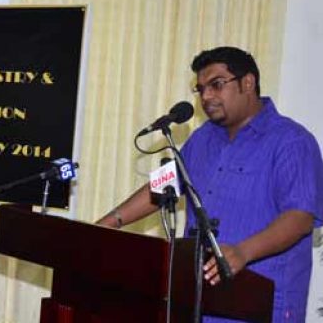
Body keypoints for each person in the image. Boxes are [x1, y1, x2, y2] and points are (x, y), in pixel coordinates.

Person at [97, 46, 323, 322]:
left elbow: (300, 217)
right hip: (200, 303)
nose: (206, 96)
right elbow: (163, 187)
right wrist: (107, 225)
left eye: (216, 85)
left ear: (248, 83)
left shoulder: (291, 142)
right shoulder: (204, 138)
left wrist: (242, 252)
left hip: (262, 307)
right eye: (201, 88)